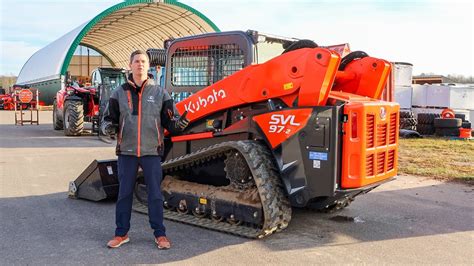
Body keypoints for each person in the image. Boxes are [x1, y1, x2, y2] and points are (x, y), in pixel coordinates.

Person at [101, 50, 189, 250]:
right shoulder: (119, 93)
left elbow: (170, 123)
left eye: (143, 61)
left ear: (148, 67)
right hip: (127, 152)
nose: (140, 64)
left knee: (155, 195)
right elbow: (108, 120)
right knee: (124, 194)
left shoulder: (160, 93)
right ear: (130, 66)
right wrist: (108, 127)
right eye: (136, 61)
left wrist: (181, 124)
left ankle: (160, 234)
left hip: (151, 152)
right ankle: (121, 234)